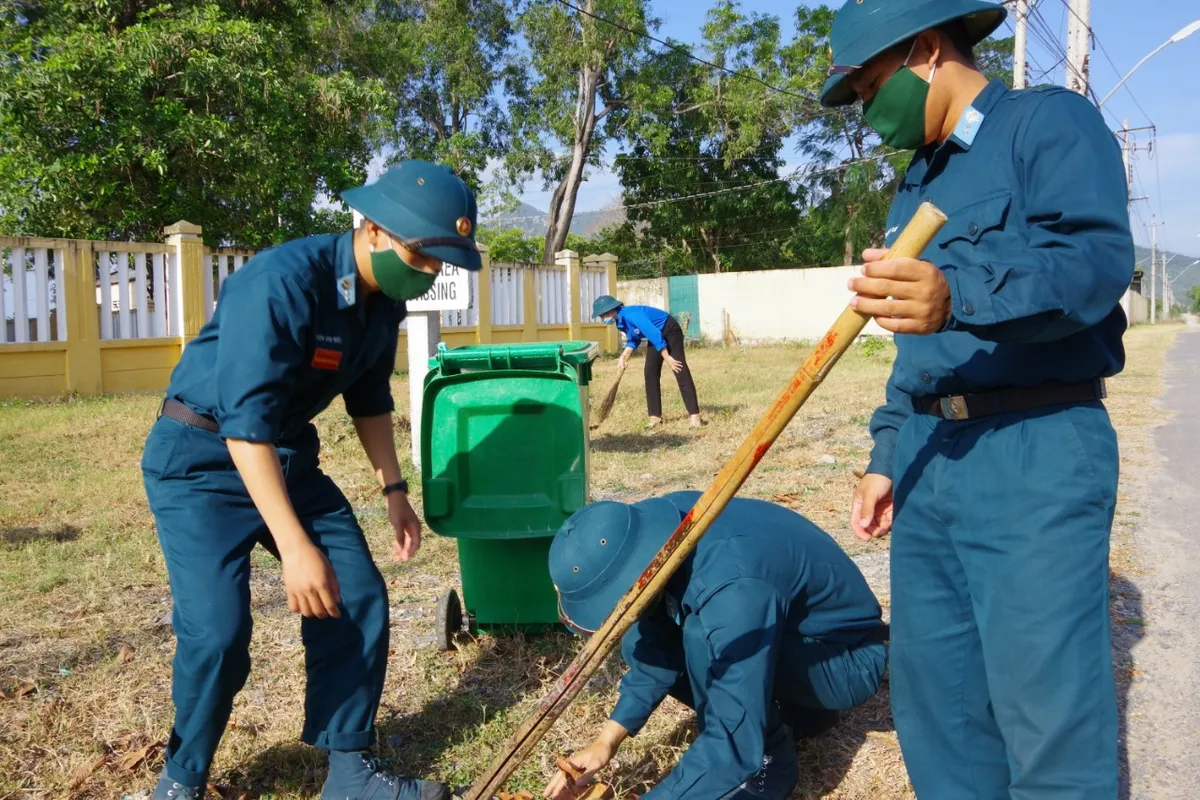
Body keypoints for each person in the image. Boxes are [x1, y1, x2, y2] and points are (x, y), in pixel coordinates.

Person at [822, 0, 1134, 796]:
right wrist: (887, 453)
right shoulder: (916, 183)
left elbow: (1092, 268)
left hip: (1034, 449)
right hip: (933, 463)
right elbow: (916, 348)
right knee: (941, 707)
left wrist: (958, 293)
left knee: (1047, 715)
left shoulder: (1047, 127)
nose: (866, 109)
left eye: (868, 85)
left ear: (927, 50)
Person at [139, 160, 483, 800]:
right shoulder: (281, 282)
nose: (432, 271)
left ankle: (350, 771)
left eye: (444, 260)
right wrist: (295, 548)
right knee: (218, 635)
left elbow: (370, 394)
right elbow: (245, 428)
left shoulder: (386, 299)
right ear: (375, 231)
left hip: (289, 458)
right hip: (202, 462)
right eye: (423, 254)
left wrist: (394, 490)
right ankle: (181, 780)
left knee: (356, 596)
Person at [542, 491, 888, 800]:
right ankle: (798, 716)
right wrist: (606, 742)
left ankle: (770, 763)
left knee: (700, 636)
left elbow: (729, 735)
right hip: (787, 637)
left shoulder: (732, 586)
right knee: (640, 640)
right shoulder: (658, 535)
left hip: (844, 660)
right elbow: (654, 650)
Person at [591, 295, 704, 428]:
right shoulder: (620, 321)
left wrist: (667, 357)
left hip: (669, 329)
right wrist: (624, 355)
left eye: (603, 315)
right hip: (656, 335)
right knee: (650, 372)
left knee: (679, 368)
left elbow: (653, 333)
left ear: (610, 310)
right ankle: (655, 417)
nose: (603, 318)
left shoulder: (631, 315)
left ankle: (695, 417)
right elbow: (634, 338)